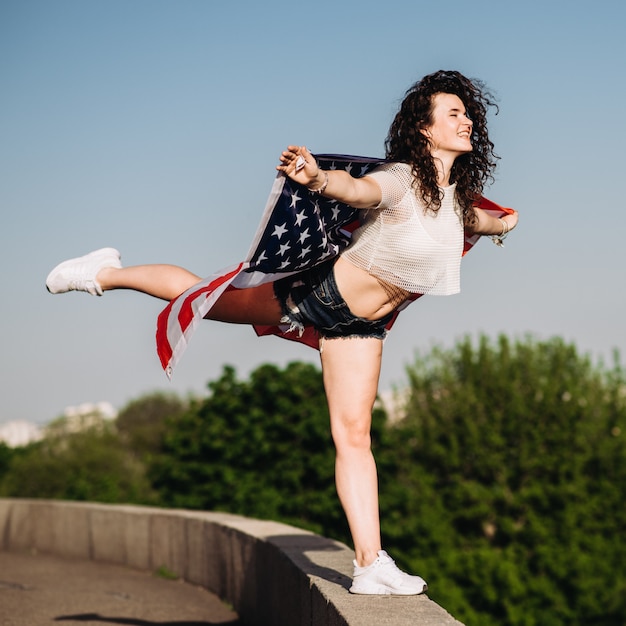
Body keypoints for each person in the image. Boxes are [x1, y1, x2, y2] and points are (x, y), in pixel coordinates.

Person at [46, 69, 518, 595]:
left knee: (354, 436)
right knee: (206, 297)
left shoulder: (454, 202)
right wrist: (317, 180)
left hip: (359, 326)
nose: (466, 119)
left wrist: (504, 224)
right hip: (315, 294)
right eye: (453, 112)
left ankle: (369, 564)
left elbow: (476, 221)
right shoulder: (401, 180)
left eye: (466, 112)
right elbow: (357, 189)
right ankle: (101, 274)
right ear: (424, 129)